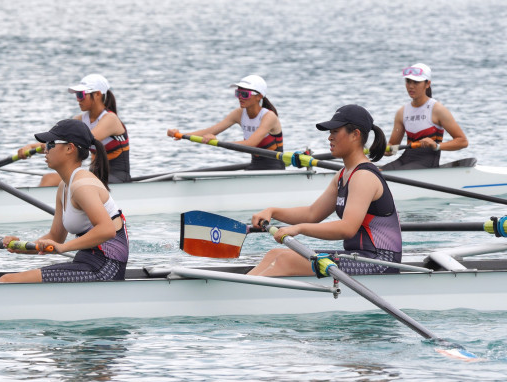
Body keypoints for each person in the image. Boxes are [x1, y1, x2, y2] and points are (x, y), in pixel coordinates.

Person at [247, 105, 402, 277]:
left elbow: (347, 228)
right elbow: (312, 213)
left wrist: (298, 229)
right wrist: (272, 211)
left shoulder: (364, 176)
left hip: (380, 262)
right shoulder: (343, 174)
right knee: (275, 254)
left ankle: (239, 296)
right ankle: (238, 290)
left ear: (355, 135)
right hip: (360, 257)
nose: (329, 137)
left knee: (286, 260)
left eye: (335, 131)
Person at [0, 119, 129, 283]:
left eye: (51, 143)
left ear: (69, 148)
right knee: (6, 279)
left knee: (5, 281)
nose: (45, 149)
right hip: (87, 262)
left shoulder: (82, 185)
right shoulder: (64, 187)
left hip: (106, 268)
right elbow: (55, 237)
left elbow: (107, 230)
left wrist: (64, 248)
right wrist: (20, 246)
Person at [30, 73, 131, 186]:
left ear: (97, 94)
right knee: (48, 179)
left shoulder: (110, 119)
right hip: (94, 175)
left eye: (81, 94)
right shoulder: (79, 120)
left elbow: (78, 141)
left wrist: (37, 147)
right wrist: (30, 148)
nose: (78, 99)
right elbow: (61, 144)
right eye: (77, 95)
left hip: (117, 177)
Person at [166, 75, 284, 170]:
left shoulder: (269, 117)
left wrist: (218, 142)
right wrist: (181, 135)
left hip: (274, 169)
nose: (240, 97)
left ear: (259, 97)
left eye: (245, 94)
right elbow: (210, 131)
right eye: (238, 93)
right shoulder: (239, 113)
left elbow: (250, 144)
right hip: (255, 166)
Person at [383, 63, 467, 169]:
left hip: (427, 163)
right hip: (405, 160)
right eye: (408, 81)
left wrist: (437, 146)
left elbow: (462, 141)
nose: (411, 86)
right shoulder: (402, 112)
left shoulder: (437, 110)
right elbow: (393, 146)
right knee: (376, 172)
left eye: (416, 82)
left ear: (427, 84)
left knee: (383, 174)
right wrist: (382, 150)